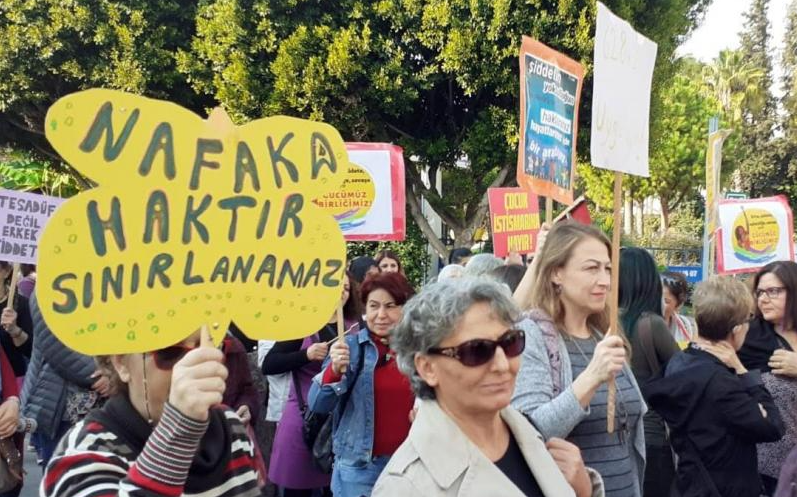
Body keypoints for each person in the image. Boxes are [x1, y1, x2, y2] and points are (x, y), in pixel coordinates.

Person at [371, 279, 605, 497]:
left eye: (510, 342)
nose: (502, 365)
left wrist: (583, 490)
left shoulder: (530, 434)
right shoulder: (403, 487)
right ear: (427, 368)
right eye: (477, 351)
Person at [511, 221, 646, 497]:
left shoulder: (604, 335)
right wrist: (591, 378)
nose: (605, 280)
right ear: (556, 273)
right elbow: (528, 433)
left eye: (607, 268)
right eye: (591, 268)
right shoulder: (531, 336)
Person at [42, 328, 262, 496]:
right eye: (169, 352)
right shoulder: (84, 453)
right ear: (122, 364)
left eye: (210, 348)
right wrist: (180, 428)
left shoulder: (231, 428)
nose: (193, 367)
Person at [645, 276, 785, 497]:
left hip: (689, 483)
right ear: (738, 330)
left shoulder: (679, 362)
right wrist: (744, 373)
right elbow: (773, 427)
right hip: (724, 488)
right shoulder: (721, 383)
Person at [308, 272, 415, 497]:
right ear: (365, 309)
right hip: (359, 469)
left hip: (410, 466)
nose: (381, 314)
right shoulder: (349, 347)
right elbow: (317, 404)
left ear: (404, 308)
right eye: (373, 306)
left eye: (391, 305)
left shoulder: (418, 350)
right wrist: (333, 371)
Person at [263, 271, 361, 497]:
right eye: (336, 286)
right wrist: (305, 355)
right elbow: (270, 364)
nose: (342, 293)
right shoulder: (302, 324)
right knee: (297, 488)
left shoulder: (354, 328)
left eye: (346, 288)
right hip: (302, 418)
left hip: (340, 422)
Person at [21, 292, 110, 468]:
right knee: (61, 477)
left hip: (109, 407)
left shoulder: (107, 280)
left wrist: (118, 373)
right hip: (61, 408)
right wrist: (104, 374)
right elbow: (56, 346)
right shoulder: (47, 288)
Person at [618, 248, 679, 497]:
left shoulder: (603, 323)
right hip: (652, 435)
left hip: (618, 437)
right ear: (649, 281)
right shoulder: (651, 324)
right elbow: (685, 375)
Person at [738, 261, 797, 494]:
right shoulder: (747, 336)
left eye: (773, 291)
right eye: (760, 292)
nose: (763, 299)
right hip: (765, 470)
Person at [0, 262, 33, 388]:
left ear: (7, 271)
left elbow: (31, 350)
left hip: (13, 384)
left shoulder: (21, 304)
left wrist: (14, 330)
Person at [661, 271, 697, 343]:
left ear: (679, 305)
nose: (659, 303)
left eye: (666, 301)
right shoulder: (641, 327)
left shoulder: (685, 325)